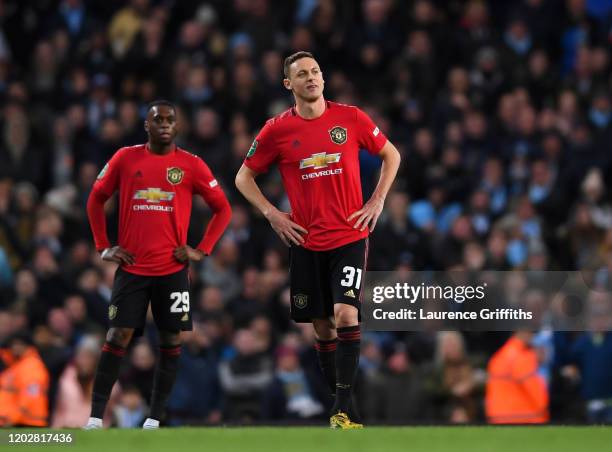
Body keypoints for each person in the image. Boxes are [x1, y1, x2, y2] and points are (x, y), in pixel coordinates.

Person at [235, 51, 401, 429]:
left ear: (323, 79)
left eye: (315, 72)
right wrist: (273, 214)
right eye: (301, 74)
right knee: (322, 327)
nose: (310, 78)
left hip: (349, 235)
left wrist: (377, 200)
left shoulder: (351, 118)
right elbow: (243, 178)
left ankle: (342, 408)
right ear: (288, 84)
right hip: (306, 241)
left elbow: (392, 155)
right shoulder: (276, 130)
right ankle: (345, 410)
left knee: (346, 314)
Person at [83, 100, 232, 429]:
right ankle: (95, 416)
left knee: (171, 340)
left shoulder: (191, 165)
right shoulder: (125, 158)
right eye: (157, 119)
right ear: (146, 126)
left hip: (173, 271)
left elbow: (223, 209)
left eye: (170, 120)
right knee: (118, 334)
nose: (164, 124)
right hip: (132, 268)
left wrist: (201, 250)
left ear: (177, 127)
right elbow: (95, 198)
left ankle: (154, 418)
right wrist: (103, 246)